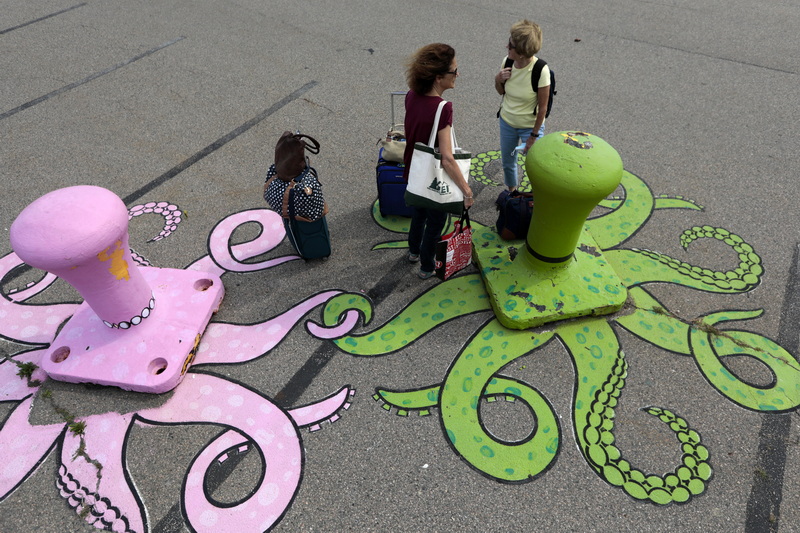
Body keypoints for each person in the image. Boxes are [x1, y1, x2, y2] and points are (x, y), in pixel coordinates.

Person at [403, 43, 474, 280]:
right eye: (454, 71)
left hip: (416, 171)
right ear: (437, 77)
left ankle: (413, 251)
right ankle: (426, 266)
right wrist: (466, 190)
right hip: (434, 178)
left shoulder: (411, 95)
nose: (457, 75)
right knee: (435, 223)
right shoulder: (443, 108)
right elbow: (446, 158)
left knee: (418, 214)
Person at [495, 20, 551, 191]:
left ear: (521, 52)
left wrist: (533, 136)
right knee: (508, 163)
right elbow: (501, 92)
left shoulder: (541, 70)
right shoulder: (507, 62)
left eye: (510, 45)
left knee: (535, 167)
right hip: (507, 123)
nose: (507, 46)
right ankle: (512, 193)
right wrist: (498, 79)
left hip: (530, 127)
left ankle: (535, 199)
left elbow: (543, 107)